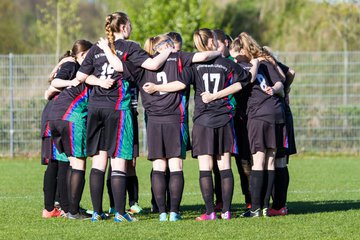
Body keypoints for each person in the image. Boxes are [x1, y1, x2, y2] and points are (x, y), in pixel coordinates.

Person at [99, 33, 221, 221]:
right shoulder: (179, 57)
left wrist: (107, 49)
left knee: (158, 166)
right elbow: (203, 56)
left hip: (154, 121)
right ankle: (174, 212)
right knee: (175, 166)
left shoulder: (144, 63)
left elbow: (117, 66)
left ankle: (162, 213)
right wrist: (218, 52)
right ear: (167, 46)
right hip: (175, 119)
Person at [143, 29, 255, 221]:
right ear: (212, 42)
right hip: (225, 119)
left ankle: (210, 212)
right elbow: (243, 82)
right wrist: (257, 62)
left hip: (203, 120)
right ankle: (226, 211)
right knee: (225, 167)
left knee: (205, 168)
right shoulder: (226, 63)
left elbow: (179, 84)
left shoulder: (195, 65)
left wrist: (157, 87)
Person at [76, 11, 174, 223]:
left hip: (95, 108)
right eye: (129, 24)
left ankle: (97, 212)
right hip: (117, 108)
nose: (130, 28)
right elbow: (153, 65)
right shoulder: (129, 47)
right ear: (123, 27)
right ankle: (120, 213)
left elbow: (81, 77)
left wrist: (98, 82)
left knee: (99, 162)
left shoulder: (96, 47)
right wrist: (168, 51)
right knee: (119, 160)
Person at [229, 32, 286, 217]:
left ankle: (254, 208)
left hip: (259, 115)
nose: (234, 57)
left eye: (236, 53)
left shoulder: (245, 65)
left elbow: (249, 79)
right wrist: (274, 90)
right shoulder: (266, 62)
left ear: (243, 50)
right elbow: (281, 84)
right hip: (276, 112)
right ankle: (265, 207)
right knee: (270, 159)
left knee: (259, 160)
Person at [48, 39, 93, 219]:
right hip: (71, 117)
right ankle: (73, 211)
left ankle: (70, 208)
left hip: (57, 116)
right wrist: (72, 82)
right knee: (78, 163)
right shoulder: (73, 64)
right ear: (82, 55)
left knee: (70, 162)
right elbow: (55, 82)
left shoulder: (75, 65)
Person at [262, 46, 296, 216]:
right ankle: (278, 205)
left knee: (278, 160)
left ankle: (279, 205)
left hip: (279, 115)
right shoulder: (273, 64)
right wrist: (286, 88)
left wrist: (284, 90)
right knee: (278, 161)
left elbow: (291, 72)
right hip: (280, 114)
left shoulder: (268, 63)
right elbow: (291, 72)